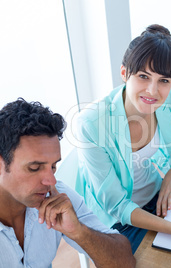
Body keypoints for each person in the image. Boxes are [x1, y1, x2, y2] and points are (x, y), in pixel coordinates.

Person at [74, 24, 171, 255]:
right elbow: (117, 206)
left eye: (164, 80)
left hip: (159, 197)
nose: (153, 91)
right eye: (143, 77)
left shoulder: (170, 93)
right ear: (124, 73)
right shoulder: (91, 125)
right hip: (118, 221)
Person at [0, 99, 136, 267]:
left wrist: (79, 232)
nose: (51, 181)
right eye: (35, 168)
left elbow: (125, 262)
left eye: (53, 166)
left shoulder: (55, 195)